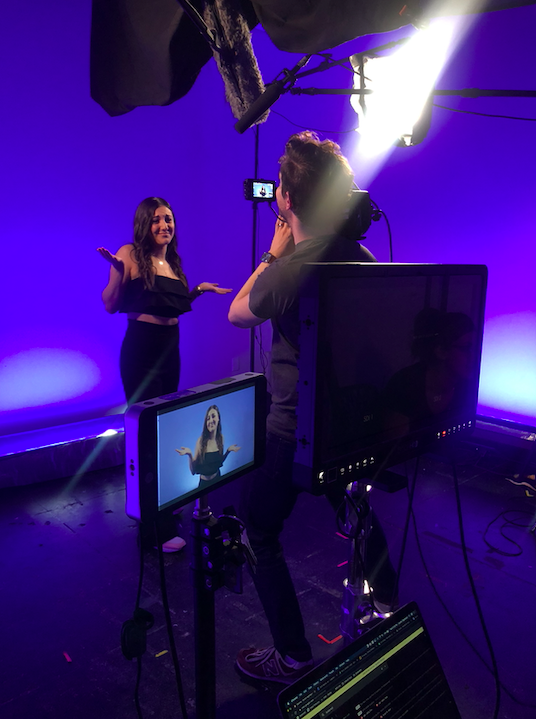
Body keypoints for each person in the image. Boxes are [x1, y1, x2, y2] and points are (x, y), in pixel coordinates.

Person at [228, 132, 397, 684]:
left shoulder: (291, 267)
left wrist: (273, 252)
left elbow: (237, 313)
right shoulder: (362, 255)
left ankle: (293, 656)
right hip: (347, 427)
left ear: (285, 197)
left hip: (292, 431)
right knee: (355, 509)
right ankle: (386, 605)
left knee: (259, 529)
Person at [98, 196, 231, 551]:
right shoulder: (129, 254)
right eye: (157, 219)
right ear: (145, 223)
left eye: (169, 219)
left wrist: (198, 290)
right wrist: (117, 272)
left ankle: (164, 513)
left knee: (165, 430)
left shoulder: (171, 262)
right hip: (141, 351)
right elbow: (110, 304)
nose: (164, 225)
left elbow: (172, 305)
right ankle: (152, 533)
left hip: (170, 351)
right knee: (147, 438)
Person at [175, 404, 240, 485]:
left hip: (218, 478)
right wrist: (190, 455)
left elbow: (218, 462)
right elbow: (193, 471)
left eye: (213, 416)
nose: (211, 421)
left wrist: (228, 451)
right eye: (208, 418)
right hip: (204, 484)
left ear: (218, 418)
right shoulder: (200, 441)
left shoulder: (221, 438)